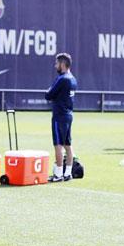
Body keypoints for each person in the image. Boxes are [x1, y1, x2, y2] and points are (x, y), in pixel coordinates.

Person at [45, 53, 78, 182]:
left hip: (59, 116)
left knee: (58, 145)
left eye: (57, 63)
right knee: (68, 145)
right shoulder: (73, 78)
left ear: (63, 64)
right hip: (69, 115)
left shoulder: (62, 78)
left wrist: (48, 91)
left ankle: (58, 174)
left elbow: (49, 95)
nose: (55, 66)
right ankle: (68, 173)